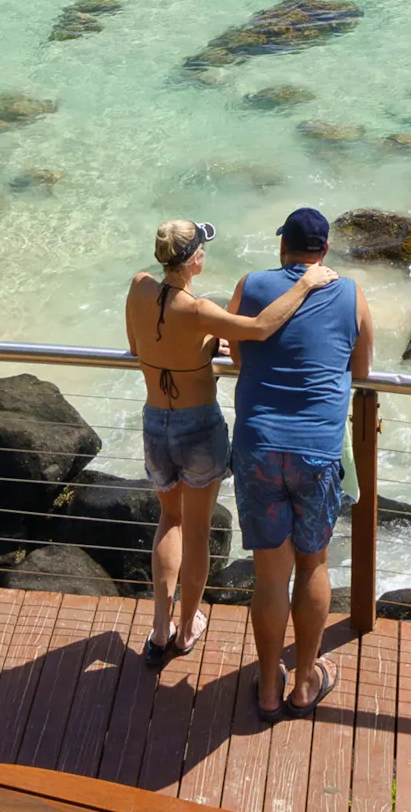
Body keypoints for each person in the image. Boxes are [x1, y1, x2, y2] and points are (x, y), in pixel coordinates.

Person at [122, 218, 334, 665]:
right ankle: (185, 629)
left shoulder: (139, 287)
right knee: (197, 530)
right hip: (197, 426)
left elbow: (137, 343)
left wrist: (199, 344)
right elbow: (258, 328)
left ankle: (159, 629)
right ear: (195, 259)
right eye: (202, 249)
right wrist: (306, 284)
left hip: (154, 420)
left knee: (169, 521)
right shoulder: (199, 310)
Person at [226, 205, 371, 720]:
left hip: (259, 446)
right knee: (313, 565)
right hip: (316, 451)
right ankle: (305, 681)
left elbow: (239, 356)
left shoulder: (251, 284)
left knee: (270, 576)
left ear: (282, 244)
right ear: (325, 250)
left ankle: (268, 687)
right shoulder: (352, 294)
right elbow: (361, 368)